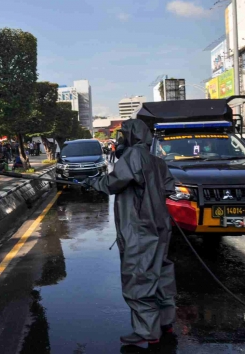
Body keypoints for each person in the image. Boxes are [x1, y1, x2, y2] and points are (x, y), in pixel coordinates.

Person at [83, 119, 176, 346]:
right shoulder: (157, 161)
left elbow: (113, 183)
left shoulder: (133, 156)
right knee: (161, 273)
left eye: (123, 135)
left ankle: (147, 332)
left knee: (139, 276)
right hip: (160, 226)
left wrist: (92, 182)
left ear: (131, 136)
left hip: (139, 228)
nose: (121, 140)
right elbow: (169, 187)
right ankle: (165, 322)